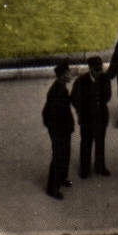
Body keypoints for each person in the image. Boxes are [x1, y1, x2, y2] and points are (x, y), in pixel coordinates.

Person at [71, 56, 112, 179]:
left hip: (101, 117)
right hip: (86, 118)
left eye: (100, 69)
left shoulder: (105, 78)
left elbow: (108, 96)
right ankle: (85, 169)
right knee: (86, 143)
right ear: (90, 69)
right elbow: (74, 98)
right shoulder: (81, 81)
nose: (99, 72)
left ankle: (100, 167)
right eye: (96, 69)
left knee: (100, 143)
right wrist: (81, 111)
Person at [42, 63, 75, 199]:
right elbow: (53, 114)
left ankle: (61, 178)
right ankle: (52, 188)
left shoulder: (60, 88)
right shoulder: (57, 91)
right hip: (59, 130)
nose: (70, 75)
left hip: (63, 129)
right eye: (68, 73)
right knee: (59, 157)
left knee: (64, 154)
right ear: (62, 76)